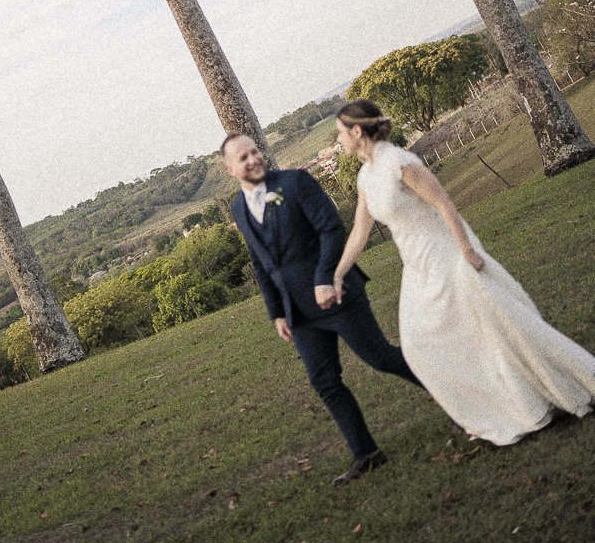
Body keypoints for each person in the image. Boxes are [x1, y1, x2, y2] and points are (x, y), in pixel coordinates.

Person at [332, 99, 595, 445]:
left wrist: (467, 250)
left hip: (447, 253)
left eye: (339, 133)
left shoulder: (401, 162)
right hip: (416, 266)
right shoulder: (366, 176)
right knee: (417, 346)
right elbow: (360, 232)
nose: (338, 141)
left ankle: (550, 393)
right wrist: (337, 274)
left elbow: (443, 203)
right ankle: (491, 408)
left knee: (496, 325)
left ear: (356, 131)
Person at [221, 132, 422, 485]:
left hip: (338, 294)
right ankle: (367, 453)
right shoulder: (238, 208)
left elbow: (332, 230)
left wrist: (325, 278)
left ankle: (457, 393)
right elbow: (260, 262)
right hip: (299, 314)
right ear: (229, 169)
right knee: (325, 382)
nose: (253, 159)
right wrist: (276, 313)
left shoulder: (296, 182)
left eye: (255, 150)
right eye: (243, 157)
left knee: (381, 358)